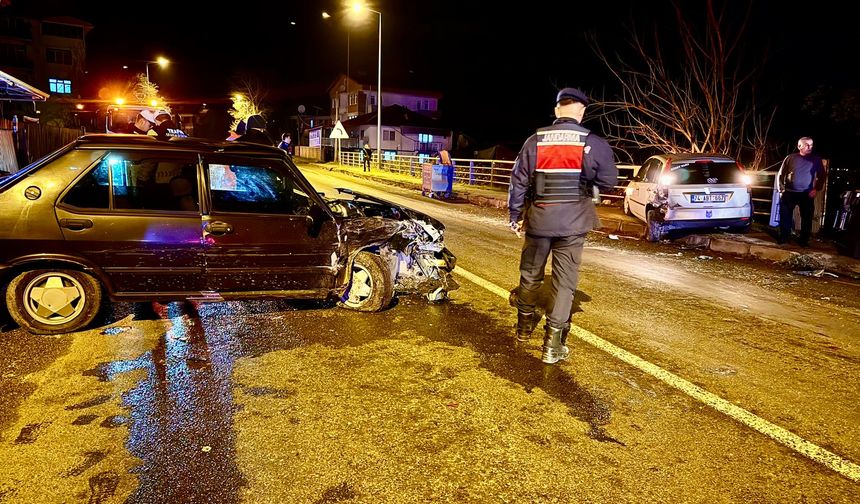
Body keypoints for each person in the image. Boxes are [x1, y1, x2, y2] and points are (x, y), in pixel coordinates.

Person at [508, 87, 618, 364]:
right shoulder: (592, 142)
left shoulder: (534, 141)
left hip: (539, 219)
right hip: (573, 222)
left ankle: (522, 330)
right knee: (564, 282)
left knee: (530, 273)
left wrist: (515, 214)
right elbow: (609, 181)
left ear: (557, 110)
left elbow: (518, 180)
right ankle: (551, 346)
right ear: (581, 112)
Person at [776, 136, 825, 247]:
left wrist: (816, 189)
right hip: (789, 192)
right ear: (799, 146)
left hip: (806, 194)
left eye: (811, 144)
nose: (810, 147)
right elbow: (781, 174)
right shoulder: (790, 158)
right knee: (785, 216)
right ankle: (784, 238)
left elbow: (822, 175)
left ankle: (804, 241)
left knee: (807, 218)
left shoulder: (816, 159)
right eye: (807, 144)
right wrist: (781, 189)